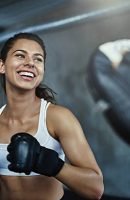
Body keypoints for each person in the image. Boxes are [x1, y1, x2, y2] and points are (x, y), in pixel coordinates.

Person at [0, 32, 104, 200]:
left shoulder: (57, 117)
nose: (30, 63)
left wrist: (52, 165)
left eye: (38, 59)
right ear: (2, 66)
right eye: (20, 56)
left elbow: (96, 188)